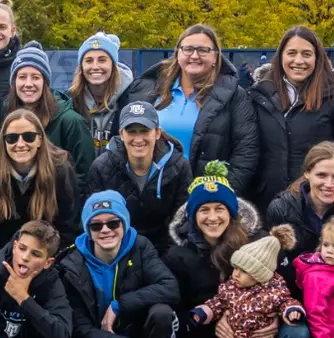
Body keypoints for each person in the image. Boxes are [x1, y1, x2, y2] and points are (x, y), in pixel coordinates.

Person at [164, 163, 312, 338]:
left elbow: (287, 289)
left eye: (219, 208)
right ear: (193, 215)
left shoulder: (259, 245)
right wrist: (213, 322)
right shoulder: (179, 255)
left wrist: (278, 319)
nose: (212, 217)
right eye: (204, 210)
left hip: (260, 334)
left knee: (298, 334)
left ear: (231, 212)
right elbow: (179, 312)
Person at [59, 191, 179, 338]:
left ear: (124, 223)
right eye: (96, 225)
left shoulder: (141, 246)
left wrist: (119, 305)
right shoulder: (71, 264)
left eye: (113, 223)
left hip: (139, 331)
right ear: (87, 229)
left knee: (162, 314)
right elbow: (79, 330)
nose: (105, 230)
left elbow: (170, 287)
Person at [118, 24, 260, 194]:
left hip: (205, 198)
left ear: (215, 56)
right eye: (188, 49)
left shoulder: (234, 96)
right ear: (177, 53)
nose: (194, 55)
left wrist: (219, 195)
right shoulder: (147, 90)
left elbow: (246, 151)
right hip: (152, 194)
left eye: (203, 50)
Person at [250, 26, 334, 205]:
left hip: (320, 205)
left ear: (317, 58)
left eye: (306, 54)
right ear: (281, 56)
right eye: (292, 53)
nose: (298, 60)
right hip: (266, 203)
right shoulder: (259, 96)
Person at [0, 107, 80, 262]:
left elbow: (67, 227)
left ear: (40, 139)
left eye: (29, 137)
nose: (20, 144)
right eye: (12, 138)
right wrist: (4, 267)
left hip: (48, 261)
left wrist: (43, 264)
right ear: (3, 141)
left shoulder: (60, 170)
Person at [84, 101, 191, 254]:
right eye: (131, 131)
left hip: (165, 249)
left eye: (144, 131)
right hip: (117, 248)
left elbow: (181, 223)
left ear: (157, 133)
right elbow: (94, 220)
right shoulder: (101, 167)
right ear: (121, 134)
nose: (138, 138)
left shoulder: (179, 166)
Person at [4, 43, 95, 188]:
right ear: (13, 82)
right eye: (22, 77)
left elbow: (84, 177)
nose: (28, 84)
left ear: (45, 82)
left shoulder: (71, 122)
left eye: (35, 77)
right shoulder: (4, 115)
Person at [265, 141, 334, 264]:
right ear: (307, 173)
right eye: (321, 175)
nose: (329, 184)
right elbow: (274, 259)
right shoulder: (282, 208)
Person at [68, 32, 133, 153]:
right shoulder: (71, 103)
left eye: (102, 60)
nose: (95, 66)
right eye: (88, 61)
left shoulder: (131, 100)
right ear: (81, 66)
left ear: (113, 65)